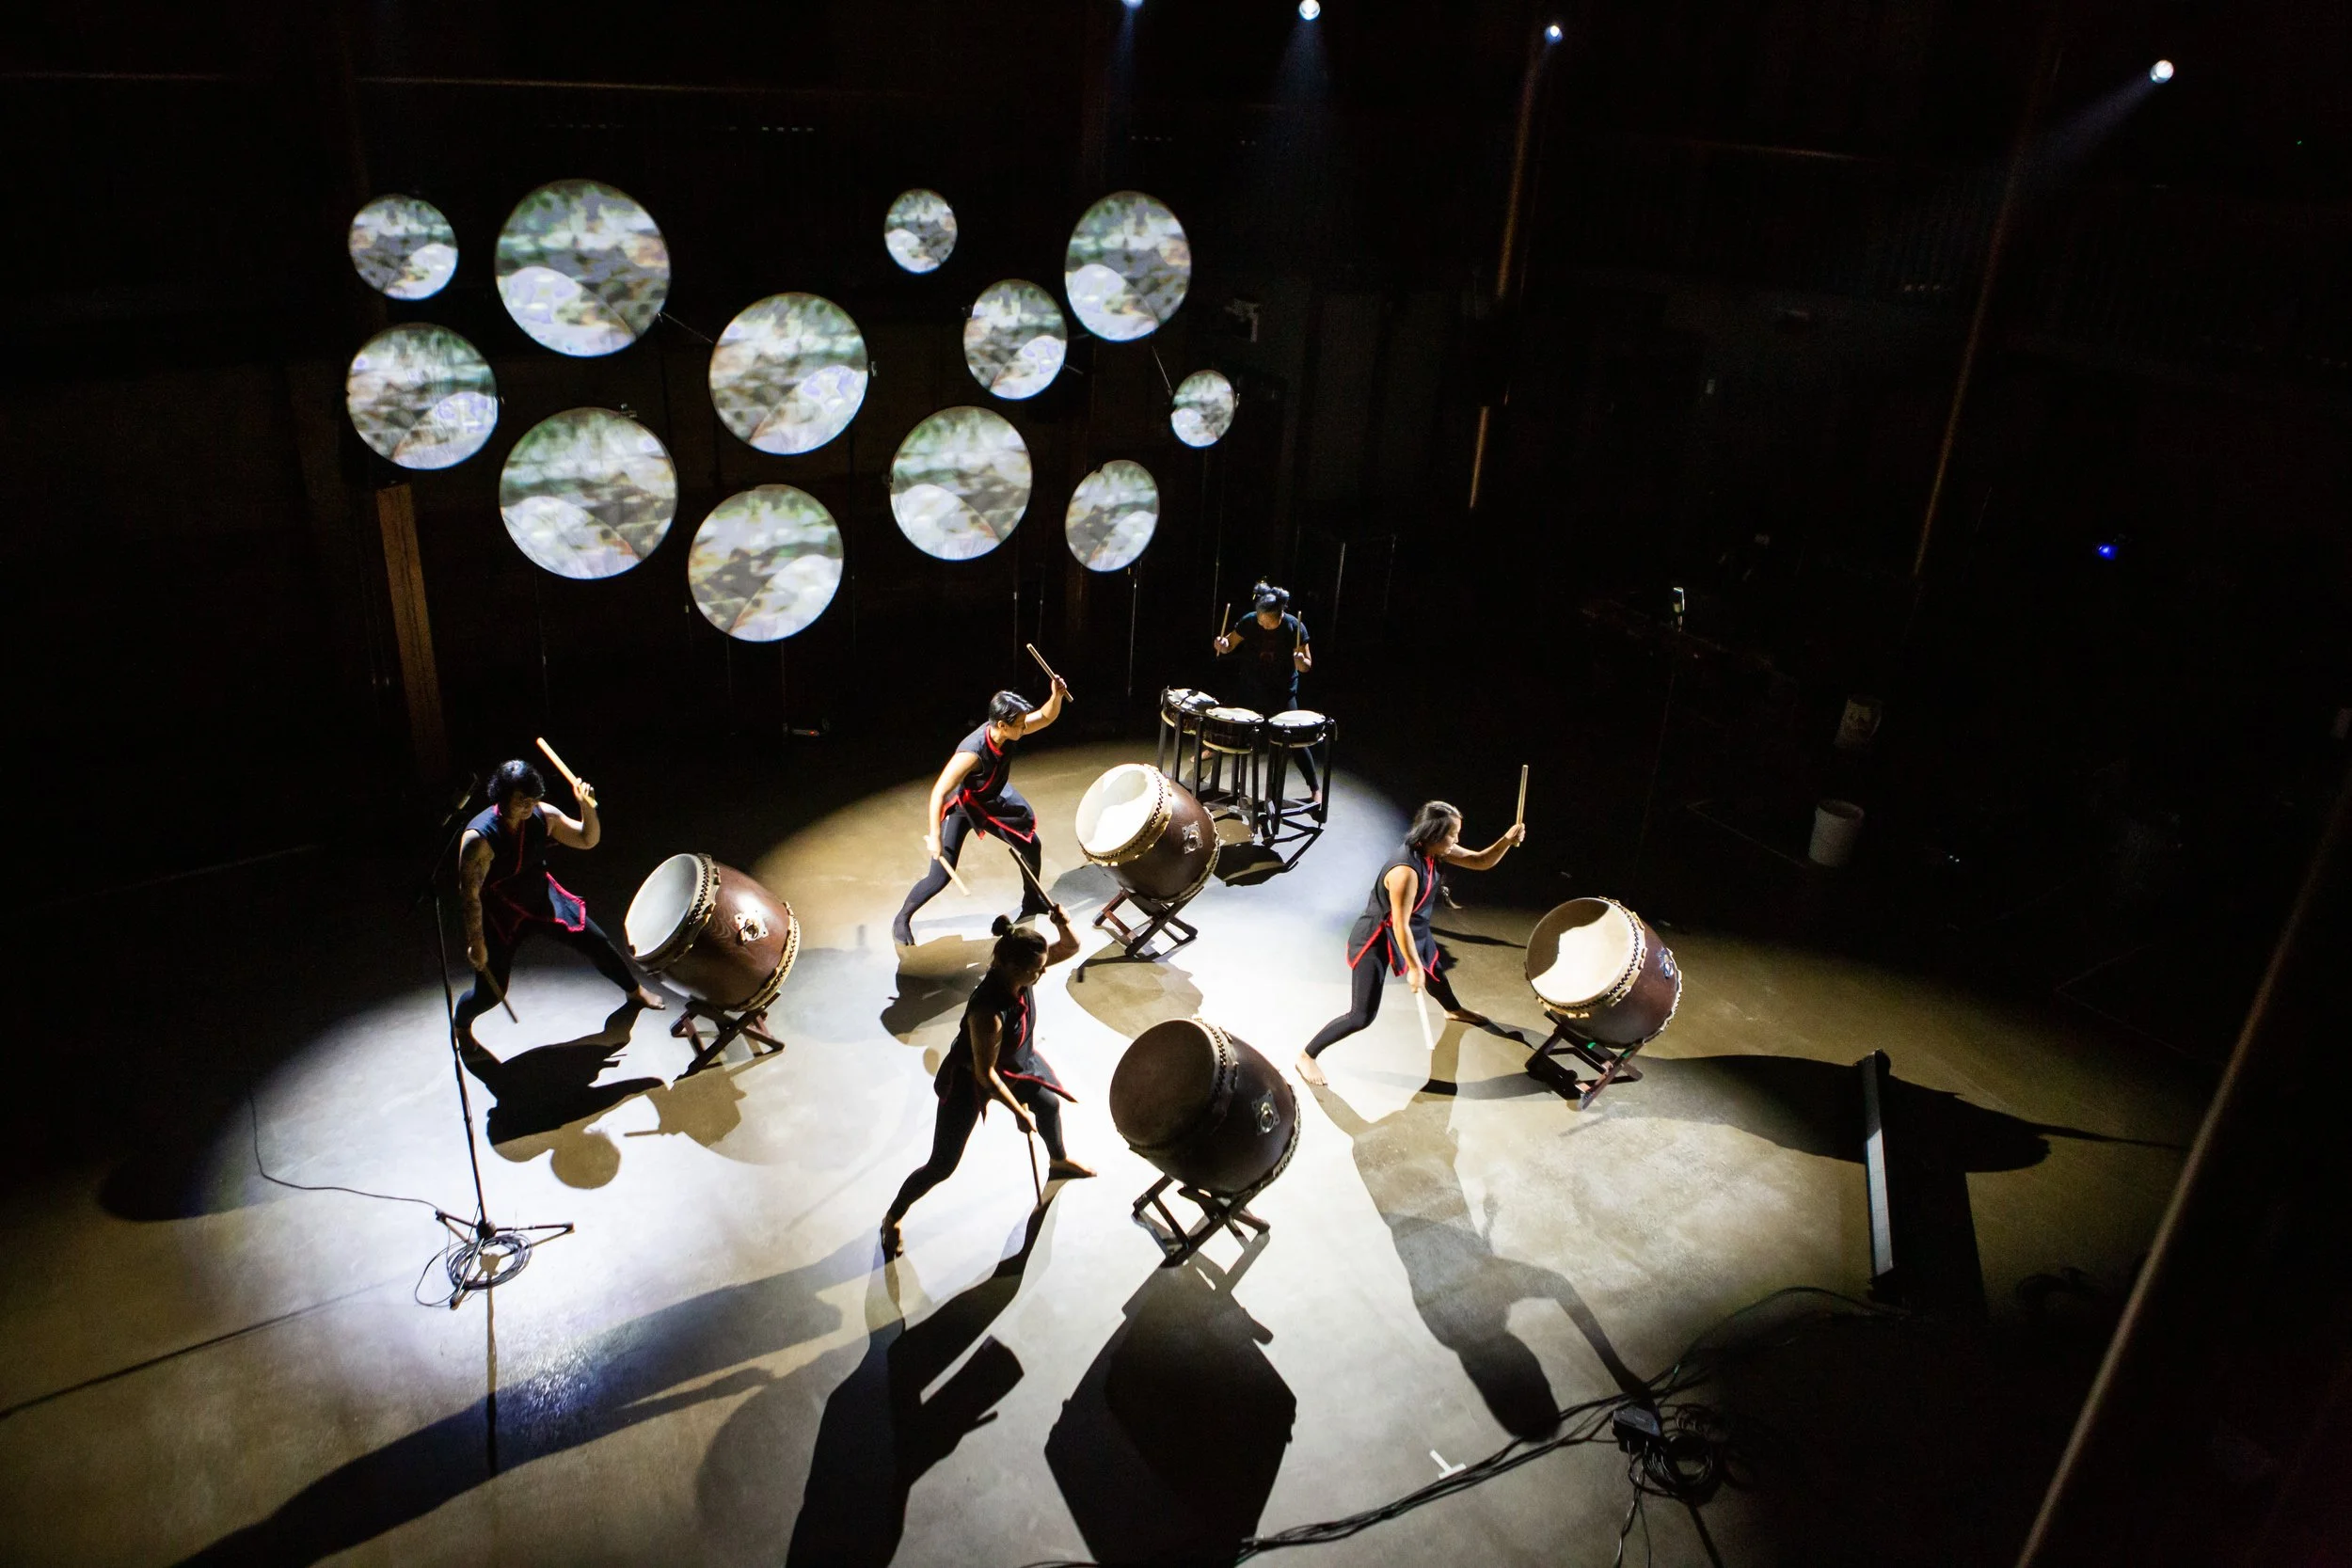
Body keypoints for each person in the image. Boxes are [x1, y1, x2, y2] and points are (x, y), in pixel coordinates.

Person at [881, 911, 1093, 1257]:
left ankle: (1059, 1161)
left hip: (1016, 1063)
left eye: (1042, 967)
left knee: (1048, 1104)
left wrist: (1062, 922)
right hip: (970, 1081)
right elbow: (986, 1075)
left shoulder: (1023, 972)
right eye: (1036, 970)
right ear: (1009, 967)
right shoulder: (988, 1012)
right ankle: (892, 1217)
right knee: (942, 1165)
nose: (1042, 973)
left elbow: (1069, 947)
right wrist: (1017, 1113)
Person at [1295, 800, 1526, 1086]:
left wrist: (1506, 840)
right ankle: (1307, 1055)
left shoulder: (1436, 849)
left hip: (1413, 929)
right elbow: (1399, 924)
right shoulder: (1405, 871)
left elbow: (1479, 861)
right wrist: (1413, 968)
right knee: (1361, 1015)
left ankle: (1453, 1010)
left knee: (1435, 971)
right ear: (1433, 835)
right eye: (1453, 835)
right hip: (1377, 937)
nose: (1456, 841)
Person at [455, 758, 664, 1052]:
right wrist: (475, 942)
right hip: (501, 913)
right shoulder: (479, 840)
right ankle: (462, 1026)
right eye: (521, 800)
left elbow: (586, 839)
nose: (528, 806)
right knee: (491, 993)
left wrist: (586, 808)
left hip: (541, 897)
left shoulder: (543, 816)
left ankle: (635, 991)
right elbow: (469, 896)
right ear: (501, 798)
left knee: (597, 942)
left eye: (532, 799)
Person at [892, 681, 1070, 946]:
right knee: (940, 875)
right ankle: (902, 918)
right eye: (1020, 724)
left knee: (1032, 846)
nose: (1024, 727)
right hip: (965, 806)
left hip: (995, 798)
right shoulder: (972, 752)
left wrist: (1056, 696)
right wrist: (935, 836)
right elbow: (939, 791)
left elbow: (1045, 717)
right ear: (1002, 725)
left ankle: (1031, 899)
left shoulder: (1010, 730)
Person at [1213, 581, 1316, 798]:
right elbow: (1230, 643)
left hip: (1282, 691)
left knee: (1295, 739)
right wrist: (1222, 644)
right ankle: (1210, 750)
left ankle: (1315, 788)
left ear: (1279, 615)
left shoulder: (1294, 626)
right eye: (1260, 620)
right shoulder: (1250, 621)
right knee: (1226, 723)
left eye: (1268, 623)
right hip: (1251, 686)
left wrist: (1299, 661)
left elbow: (1306, 665)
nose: (1263, 625)